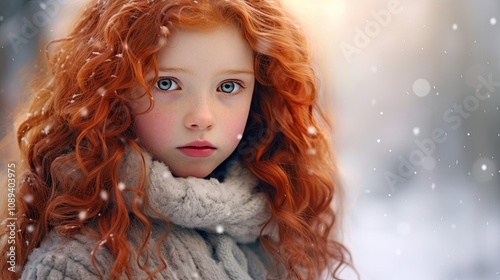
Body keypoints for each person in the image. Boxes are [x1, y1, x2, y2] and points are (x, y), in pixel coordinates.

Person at [0, 0, 353, 279]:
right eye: (167, 84)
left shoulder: (274, 230)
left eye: (229, 86)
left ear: (259, 94)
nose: (202, 117)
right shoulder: (78, 262)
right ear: (113, 94)